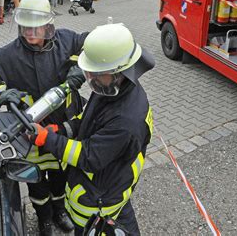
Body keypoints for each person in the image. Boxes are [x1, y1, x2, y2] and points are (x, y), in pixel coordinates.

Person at [0, 0, 87, 236]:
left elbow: (91, 46)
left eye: (36, 26)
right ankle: (44, 219)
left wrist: (79, 66)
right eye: (25, 26)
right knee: (36, 181)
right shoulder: (6, 55)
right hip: (30, 134)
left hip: (64, 128)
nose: (29, 32)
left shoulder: (66, 40)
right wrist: (0, 95)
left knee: (60, 175)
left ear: (48, 24)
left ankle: (60, 212)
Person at [29, 23, 155, 235]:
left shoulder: (126, 119)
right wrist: (62, 130)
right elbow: (89, 118)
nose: (91, 79)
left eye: (96, 73)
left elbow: (89, 157)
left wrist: (48, 140)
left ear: (119, 71)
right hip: (114, 180)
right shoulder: (111, 88)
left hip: (99, 199)